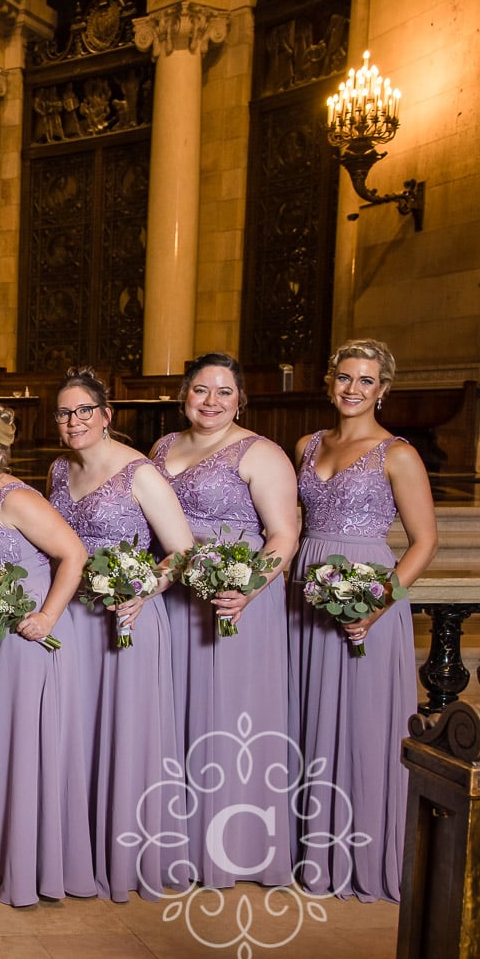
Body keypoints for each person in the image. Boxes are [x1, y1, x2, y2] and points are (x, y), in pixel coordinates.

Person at [290, 340, 436, 901]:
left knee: (362, 721)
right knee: (308, 713)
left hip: (366, 592)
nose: (353, 389)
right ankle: (308, 851)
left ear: (382, 389)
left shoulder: (397, 453)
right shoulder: (307, 445)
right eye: (345, 377)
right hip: (306, 588)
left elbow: (425, 543)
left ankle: (362, 855)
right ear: (330, 382)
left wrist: (378, 603)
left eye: (366, 380)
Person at [151, 353, 300, 889]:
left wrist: (248, 590)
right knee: (173, 712)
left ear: (241, 399)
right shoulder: (163, 448)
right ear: (183, 394)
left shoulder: (262, 453)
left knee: (228, 717)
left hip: (234, 602)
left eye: (223, 392)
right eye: (200, 390)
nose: (210, 401)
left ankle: (234, 847)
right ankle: (174, 840)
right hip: (173, 598)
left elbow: (283, 534)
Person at [47, 368, 193, 901]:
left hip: (125, 620)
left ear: (107, 416)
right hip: (73, 619)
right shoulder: (58, 471)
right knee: (75, 733)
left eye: (85, 410)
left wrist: (144, 589)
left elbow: (181, 550)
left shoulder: (141, 473)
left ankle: (126, 855)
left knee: (124, 734)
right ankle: (75, 850)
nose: (74, 420)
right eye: (64, 412)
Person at [0, 401, 90, 907]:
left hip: (31, 638)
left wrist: (48, 616)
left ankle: (29, 863)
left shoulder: (17, 499)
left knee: (25, 746)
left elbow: (73, 553)